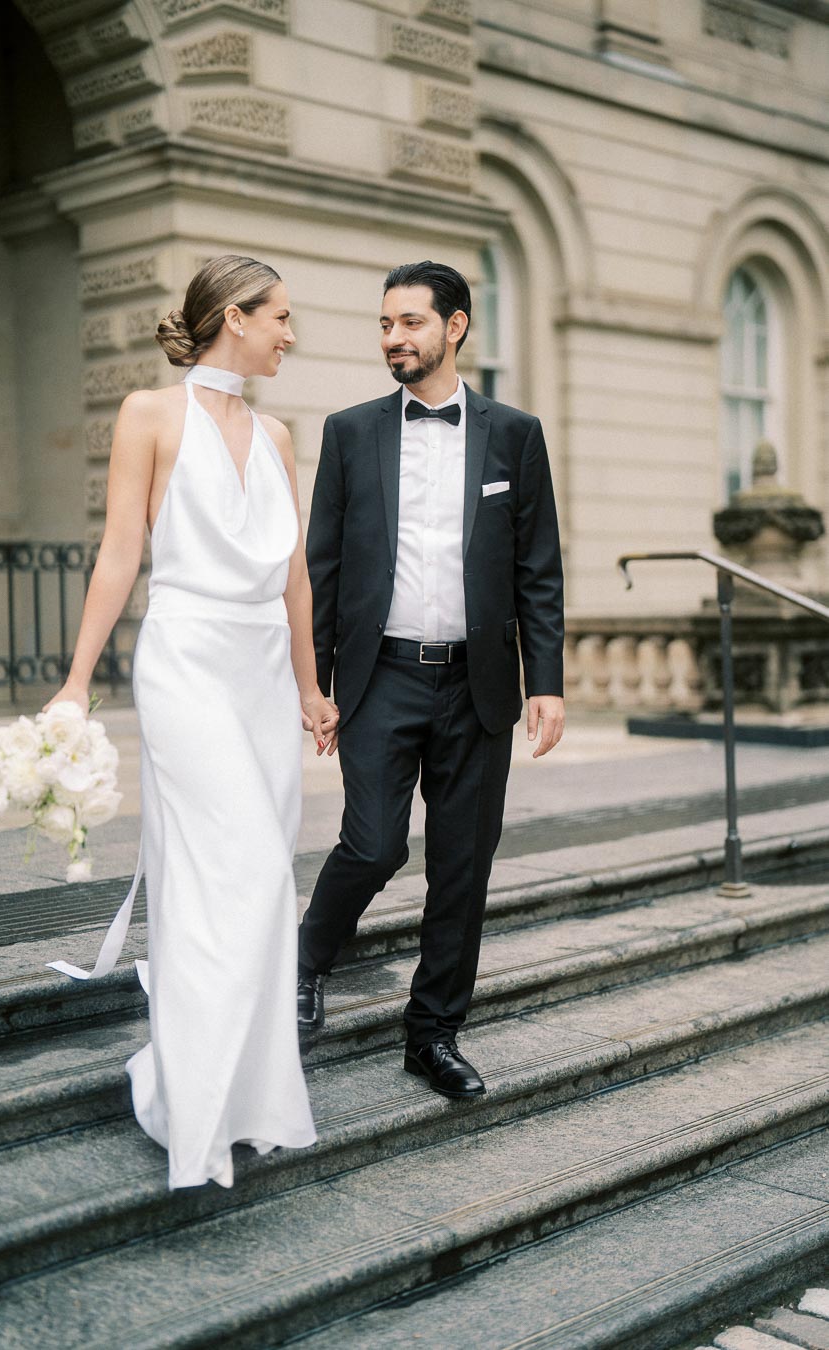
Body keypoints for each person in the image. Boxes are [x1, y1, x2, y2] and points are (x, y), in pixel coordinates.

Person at [47, 255, 337, 1189]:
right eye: (281, 317)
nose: (291, 334)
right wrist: (75, 681)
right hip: (183, 664)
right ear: (233, 317)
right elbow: (120, 552)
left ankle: (239, 1097)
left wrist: (309, 687)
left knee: (246, 880)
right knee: (244, 864)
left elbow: (294, 575)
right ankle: (196, 1110)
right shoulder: (148, 415)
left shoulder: (281, 434)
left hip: (260, 676)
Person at [297, 260, 564, 1099]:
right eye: (384, 324)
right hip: (381, 677)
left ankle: (433, 1033)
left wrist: (544, 680)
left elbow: (538, 569)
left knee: (463, 866)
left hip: (478, 685)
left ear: (455, 327)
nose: (393, 340)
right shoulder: (349, 433)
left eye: (409, 323)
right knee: (373, 843)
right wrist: (317, 683)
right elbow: (323, 567)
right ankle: (302, 966)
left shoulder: (514, 435)